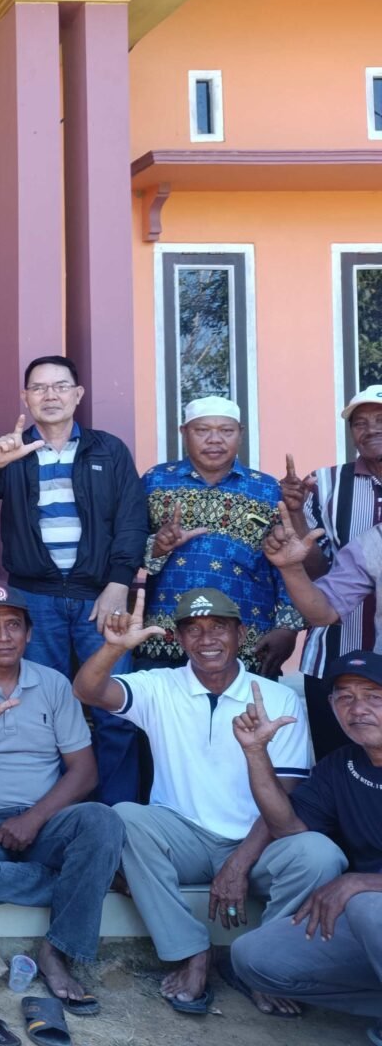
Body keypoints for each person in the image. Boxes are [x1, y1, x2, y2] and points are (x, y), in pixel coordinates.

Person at [74, 588, 337, 1017]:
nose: (207, 638)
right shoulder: (161, 686)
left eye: (219, 627)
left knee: (319, 855)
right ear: (179, 640)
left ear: (241, 634)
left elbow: (286, 801)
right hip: (186, 839)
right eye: (193, 630)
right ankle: (191, 951)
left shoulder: (277, 698)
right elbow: (88, 690)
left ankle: (261, 964)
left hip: (259, 844)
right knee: (124, 819)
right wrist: (114, 648)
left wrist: (238, 864)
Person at [0, 355, 149, 806]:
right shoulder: (15, 450)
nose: (50, 395)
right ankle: (56, 814)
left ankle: (119, 816)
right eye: (39, 388)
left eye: (60, 386)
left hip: (99, 597)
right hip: (35, 599)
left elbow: (132, 520)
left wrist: (118, 583)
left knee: (115, 708)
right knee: (46, 712)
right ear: (25, 398)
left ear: (77, 395)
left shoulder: (108, 450)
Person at [0, 584, 123, 1012]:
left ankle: (59, 949)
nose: (3, 636)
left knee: (103, 821)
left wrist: (32, 819)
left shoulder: (53, 683)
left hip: (44, 819)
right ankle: (83, 883)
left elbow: (85, 772)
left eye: (14, 625)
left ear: (29, 633)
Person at [231, 650, 382, 1032]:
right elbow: (288, 830)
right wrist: (256, 753)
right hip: (369, 922)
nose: (358, 708)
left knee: (367, 905)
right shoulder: (341, 765)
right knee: (255, 957)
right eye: (345, 697)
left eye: (374, 697)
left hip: (371, 908)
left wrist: (362, 882)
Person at [137, 396, 301, 675]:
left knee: (249, 705)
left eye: (226, 431)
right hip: (164, 640)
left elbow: (287, 564)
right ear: (184, 432)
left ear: (240, 433)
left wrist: (288, 628)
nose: (215, 440)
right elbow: (126, 549)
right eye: (202, 430)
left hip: (248, 640)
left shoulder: (267, 489)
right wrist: (158, 547)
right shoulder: (155, 481)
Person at [283, 385, 382, 757]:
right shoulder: (325, 484)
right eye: (360, 422)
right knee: (338, 766)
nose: (371, 429)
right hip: (336, 655)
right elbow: (319, 573)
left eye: (381, 419)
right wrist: (296, 514)